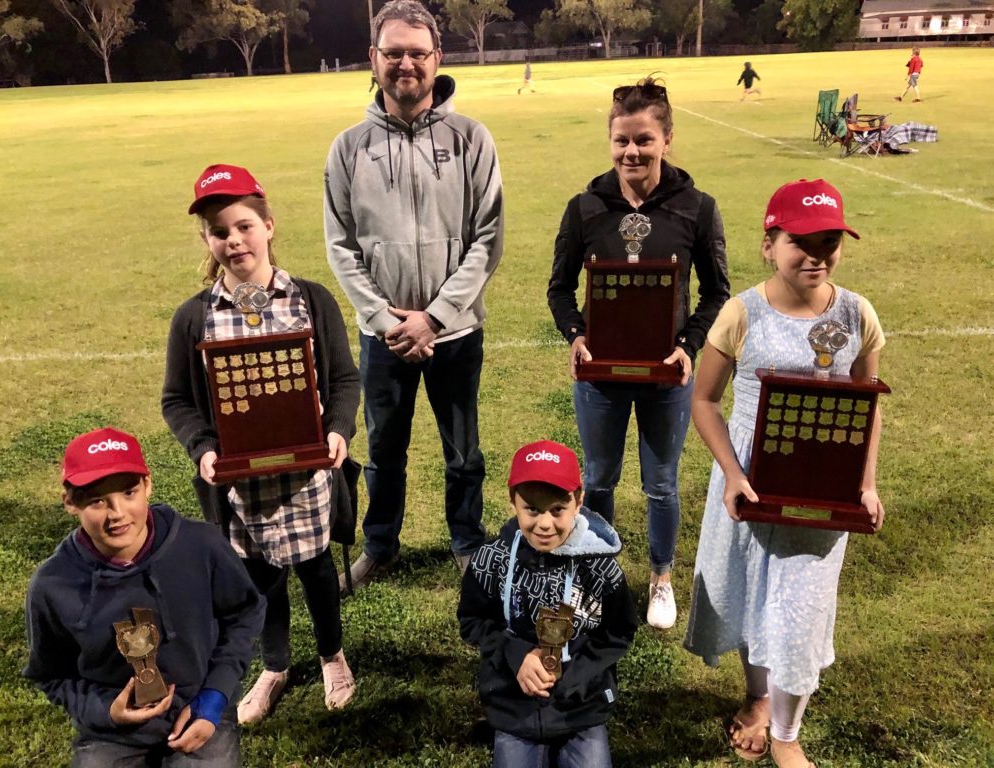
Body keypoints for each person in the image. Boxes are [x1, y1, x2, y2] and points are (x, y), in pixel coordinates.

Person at [683, 178, 886, 768]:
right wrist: (731, 473)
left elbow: (865, 404)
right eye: (801, 240)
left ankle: (786, 735)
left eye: (830, 240)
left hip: (821, 484)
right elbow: (704, 401)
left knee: (800, 608)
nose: (817, 254)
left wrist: (865, 483)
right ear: (769, 242)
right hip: (753, 478)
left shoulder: (857, 313)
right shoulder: (741, 311)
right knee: (750, 597)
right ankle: (757, 699)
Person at [162, 164, 360, 722]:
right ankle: (275, 665)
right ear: (207, 240)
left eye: (244, 226)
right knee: (260, 578)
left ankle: (332, 655)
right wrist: (203, 447)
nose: (234, 240)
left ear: (269, 226)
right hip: (241, 485)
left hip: (307, 475)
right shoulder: (195, 317)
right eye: (220, 232)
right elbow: (176, 399)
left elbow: (344, 379)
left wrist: (338, 429)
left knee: (317, 568)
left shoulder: (311, 300)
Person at [324, 0, 504, 591]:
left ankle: (467, 541)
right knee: (384, 451)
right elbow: (341, 246)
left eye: (417, 53)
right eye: (394, 52)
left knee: (464, 453)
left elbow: (487, 239)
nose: (406, 63)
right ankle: (380, 544)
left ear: (437, 59)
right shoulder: (347, 148)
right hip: (383, 338)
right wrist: (384, 319)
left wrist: (435, 317)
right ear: (373, 60)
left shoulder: (471, 138)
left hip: (455, 333)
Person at [547, 77, 730, 630]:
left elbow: (717, 291)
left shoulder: (697, 208)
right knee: (598, 478)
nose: (632, 151)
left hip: (664, 377)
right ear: (610, 140)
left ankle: (659, 578)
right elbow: (558, 288)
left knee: (661, 484)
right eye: (622, 140)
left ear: (667, 140)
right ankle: (600, 575)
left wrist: (687, 345)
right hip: (599, 376)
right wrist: (576, 335)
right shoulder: (585, 207)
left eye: (644, 140)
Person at [24, 427, 265, 767]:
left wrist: (215, 696)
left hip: (199, 710)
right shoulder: (52, 585)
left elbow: (244, 614)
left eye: (128, 492)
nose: (117, 512)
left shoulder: (202, 545)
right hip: (112, 732)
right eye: (96, 500)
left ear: (148, 485)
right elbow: (50, 674)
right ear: (69, 502)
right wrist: (106, 711)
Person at [458, 440, 638, 768]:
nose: (544, 523)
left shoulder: (601, 568)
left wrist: (575, 677)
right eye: (532, 509)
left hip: (580, 706)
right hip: (513, 702)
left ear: (578, 501)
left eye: (557, 509)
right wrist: (516, 656)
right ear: (513, 501)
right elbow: (473, 620)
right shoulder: (490, 560)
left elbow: (619, 632)